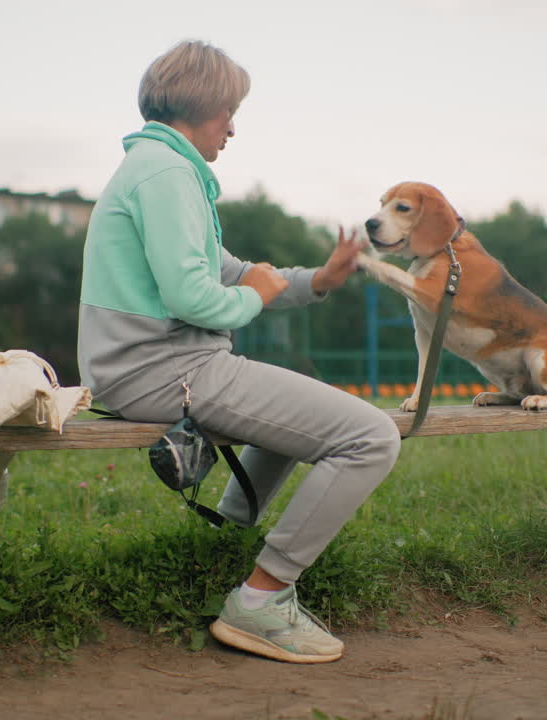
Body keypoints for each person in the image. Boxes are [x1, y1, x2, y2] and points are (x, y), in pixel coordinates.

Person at [77, 39, 401, 664]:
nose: (233, 126)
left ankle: (228, 539)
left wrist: (319, 281)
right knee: (370, 437)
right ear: (202, 106)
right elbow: (196, 297)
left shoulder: (163, 171)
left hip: (158, 366)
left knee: (300, 412)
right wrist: (251, 298)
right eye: (229, 110)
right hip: (165, 370)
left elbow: (233, 271)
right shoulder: (167, 175)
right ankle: (262, 600)